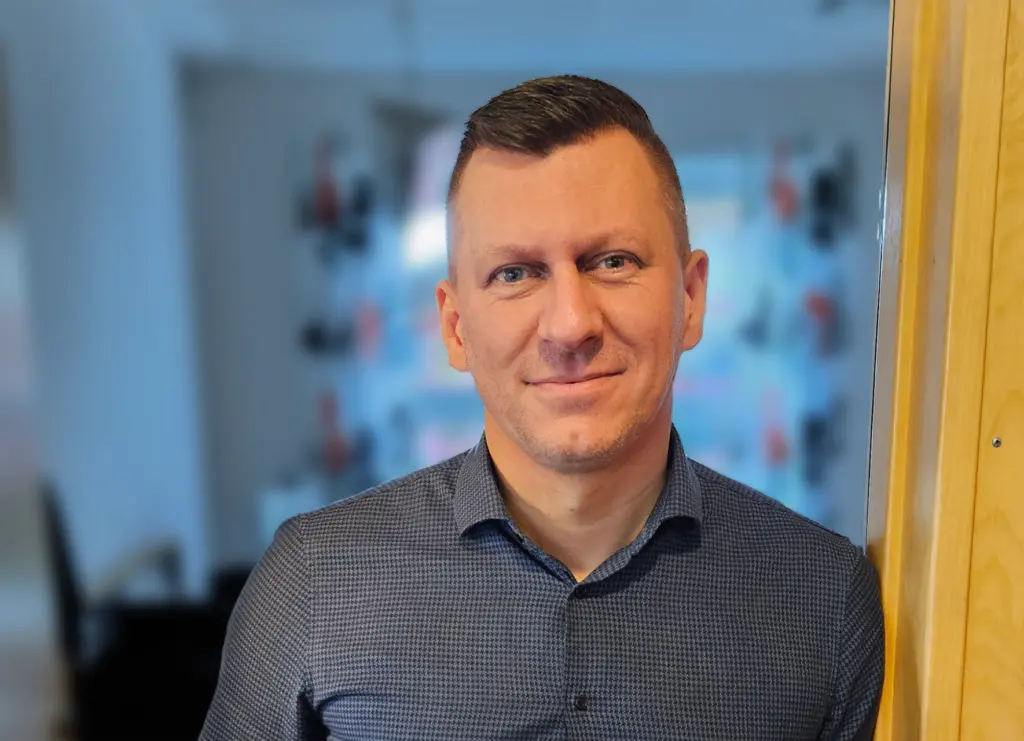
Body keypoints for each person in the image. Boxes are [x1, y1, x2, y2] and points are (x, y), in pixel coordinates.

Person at [200, 75, 884, 740]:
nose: (570, 325)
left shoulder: (825, 600)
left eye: (613, 261)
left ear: (691, 297)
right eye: (515, 273)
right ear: (455, 326)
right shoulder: (314, 582)